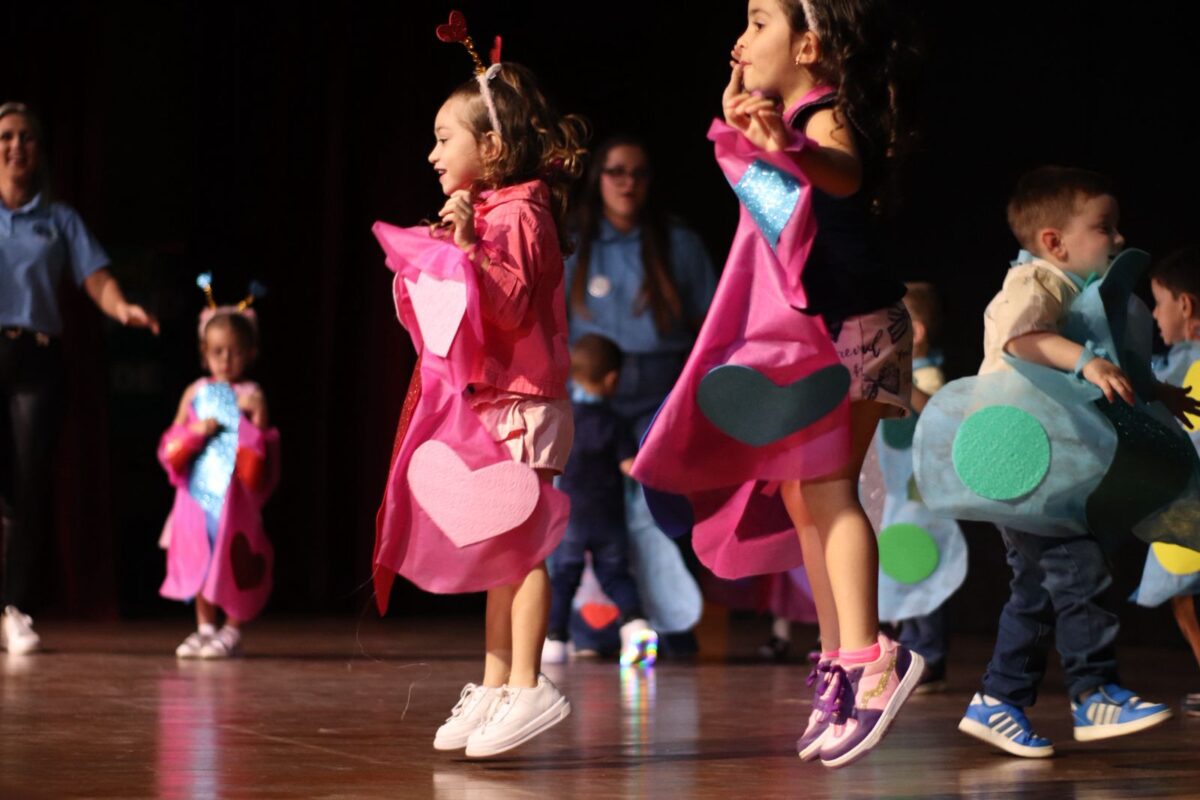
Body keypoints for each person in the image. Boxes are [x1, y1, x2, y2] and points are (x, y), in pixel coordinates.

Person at [634, 0, 922, 768]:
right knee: (801, 495)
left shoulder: (824, 116)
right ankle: (837, 658)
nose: (739, 38)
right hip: (826, 336)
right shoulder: (787, 126)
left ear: (809, 43)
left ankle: (872, 659)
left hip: (859, 331)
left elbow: (842, 171)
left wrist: (785, 143)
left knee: (827, 487)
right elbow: (778, 227)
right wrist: (749, 142)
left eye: (759, 20)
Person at [371, 15, 588, 758]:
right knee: (501, 550)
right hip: (500, 401)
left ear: (490, 148)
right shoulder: (491, 210)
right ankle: (497, 682)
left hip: (527, 402)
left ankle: (530, 684)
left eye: (444, 138)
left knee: (522, 550)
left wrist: (466, 249)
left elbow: (506, 308)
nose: (433, 153)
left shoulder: (522, 211)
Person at [958, 166, 1178, 757]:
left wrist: (1158, 392)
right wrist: (1086, 361)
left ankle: (998, 701)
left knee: (1036, 588)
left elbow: (1114, 367)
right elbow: (1022, 341)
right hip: (1020, 461)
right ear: (1054, 241)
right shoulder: (1035, 282)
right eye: (1103, 228)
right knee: (1079, 571)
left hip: (1038, 465)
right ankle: (1095, 690)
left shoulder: (1079, 297)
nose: (1115, 238)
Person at [0, 102, 158, 654]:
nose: (16, 146)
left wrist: (122, 308)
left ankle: (12, 608)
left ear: (39, 151)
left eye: (27, 137)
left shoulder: (59, 219)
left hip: (36, 362)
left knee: (26, 486)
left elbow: (96, 277)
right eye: (6, 136)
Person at [565, 136, 715, 654]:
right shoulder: (575, 244)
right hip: (589, 394)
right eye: (615, 172)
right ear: (597, 178)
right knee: (592, 512)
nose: (627, 182)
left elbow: (711, 324)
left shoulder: (677, 242)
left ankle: (673, 626)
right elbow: (550, 324)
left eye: (638, 172)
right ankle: (595, 630)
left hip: (659, 391)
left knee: (662, 510)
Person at [158, 280, 279, 659]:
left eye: (234, 352)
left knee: (234, 558)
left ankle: (232, 628)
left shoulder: (251, 394)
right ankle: (204, 626)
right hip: (196, 498)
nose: (225, 359)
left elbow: (261, 452)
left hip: (234, 501)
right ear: (204, 353)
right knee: (197, 556)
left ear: (249, 353)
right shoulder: (195, 393)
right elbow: (171, 442)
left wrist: (254, 415)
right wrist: (196, 431)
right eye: (217, 352)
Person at [543, 333, 657, 667]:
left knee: (564, 578)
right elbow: (630, 468)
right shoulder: (615, 423)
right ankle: (636, 625)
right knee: (616, 576)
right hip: (608, 518)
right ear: (612, 379)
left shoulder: (562, 418)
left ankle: (555, 641)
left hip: (571, 518)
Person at [1133, 245, 1200, 716]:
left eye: (1159, 302)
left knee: (1182, 591)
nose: (1155, 315)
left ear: (1186, 305)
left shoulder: (1176, 366)